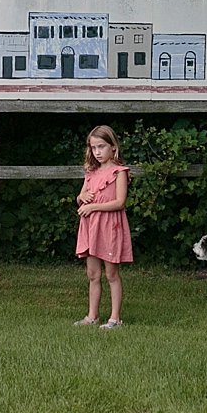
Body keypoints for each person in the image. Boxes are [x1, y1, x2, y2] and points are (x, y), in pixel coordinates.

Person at [73, 125, 132, 329]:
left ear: (113, 147)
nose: (97, 152)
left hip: (110, 227)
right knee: (93, 274)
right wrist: (81, 198)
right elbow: (81, 196)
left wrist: (94, 207)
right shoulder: (91, 172)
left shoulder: (119, 172)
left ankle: (115, 318)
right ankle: (92, 315)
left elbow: (120, 202)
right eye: (93, 148)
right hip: (91, 228)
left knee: (111, 274)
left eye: (101, 147)